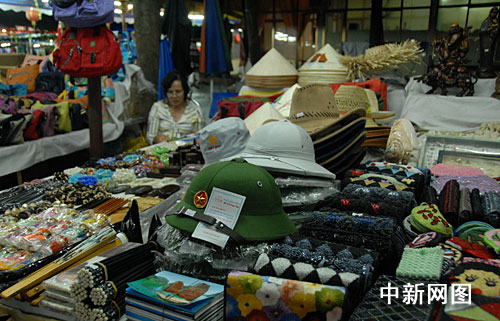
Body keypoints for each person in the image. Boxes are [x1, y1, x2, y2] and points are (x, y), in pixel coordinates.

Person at [146, 71, 204, 144]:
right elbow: (150, 137)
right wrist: (157, 139)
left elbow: (201, 136)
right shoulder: (157, 108)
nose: (174, 96)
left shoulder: (195, 110)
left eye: (178, 91)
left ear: (185, 91)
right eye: (170, 92)